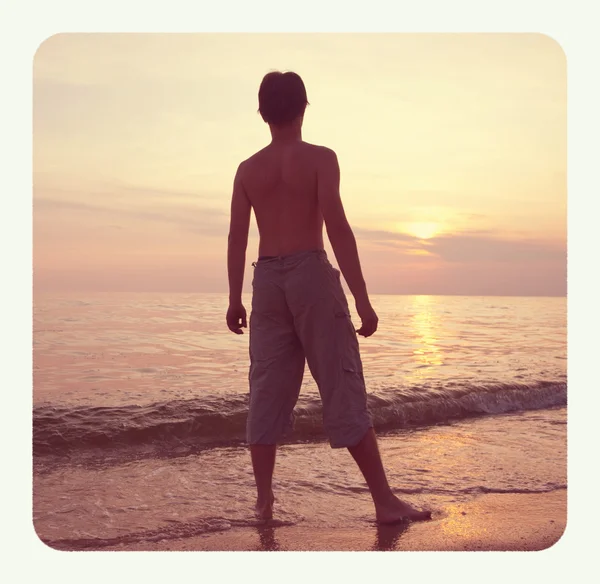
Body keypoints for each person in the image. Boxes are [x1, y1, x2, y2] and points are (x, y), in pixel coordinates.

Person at [226, 71, 431, 524]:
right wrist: (362, 298)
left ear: (262, 114)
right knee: (341, 385)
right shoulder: (321, 159)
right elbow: (337, 227)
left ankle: (263, 505)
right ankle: (384, 503)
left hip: (267, 282)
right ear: (304, 108)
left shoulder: (248, 170)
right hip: (310, 276)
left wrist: (233, 298)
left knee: (264, 392)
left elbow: (238, 239)